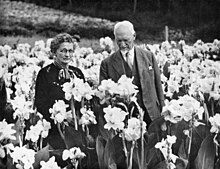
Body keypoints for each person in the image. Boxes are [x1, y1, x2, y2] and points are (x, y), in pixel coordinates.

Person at [99, 20, 165, 126]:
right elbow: (104, 95)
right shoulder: (106, 64)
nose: (122, 44)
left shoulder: (149, 57)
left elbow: (158, 87)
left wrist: (162, 112)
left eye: (126, 40)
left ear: (134, 36)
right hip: (123, 118)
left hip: (151, 115)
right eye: (118, 41)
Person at [34, 33, 85, 150]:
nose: (67, 54)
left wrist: (77, 116)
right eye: (63, 51)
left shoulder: (77, 73)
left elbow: (82, 101)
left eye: (70, 51)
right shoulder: (44, 74)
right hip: (54, 129)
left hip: (76, 126)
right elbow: (40, 103)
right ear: (54, 52)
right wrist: (62, 117)